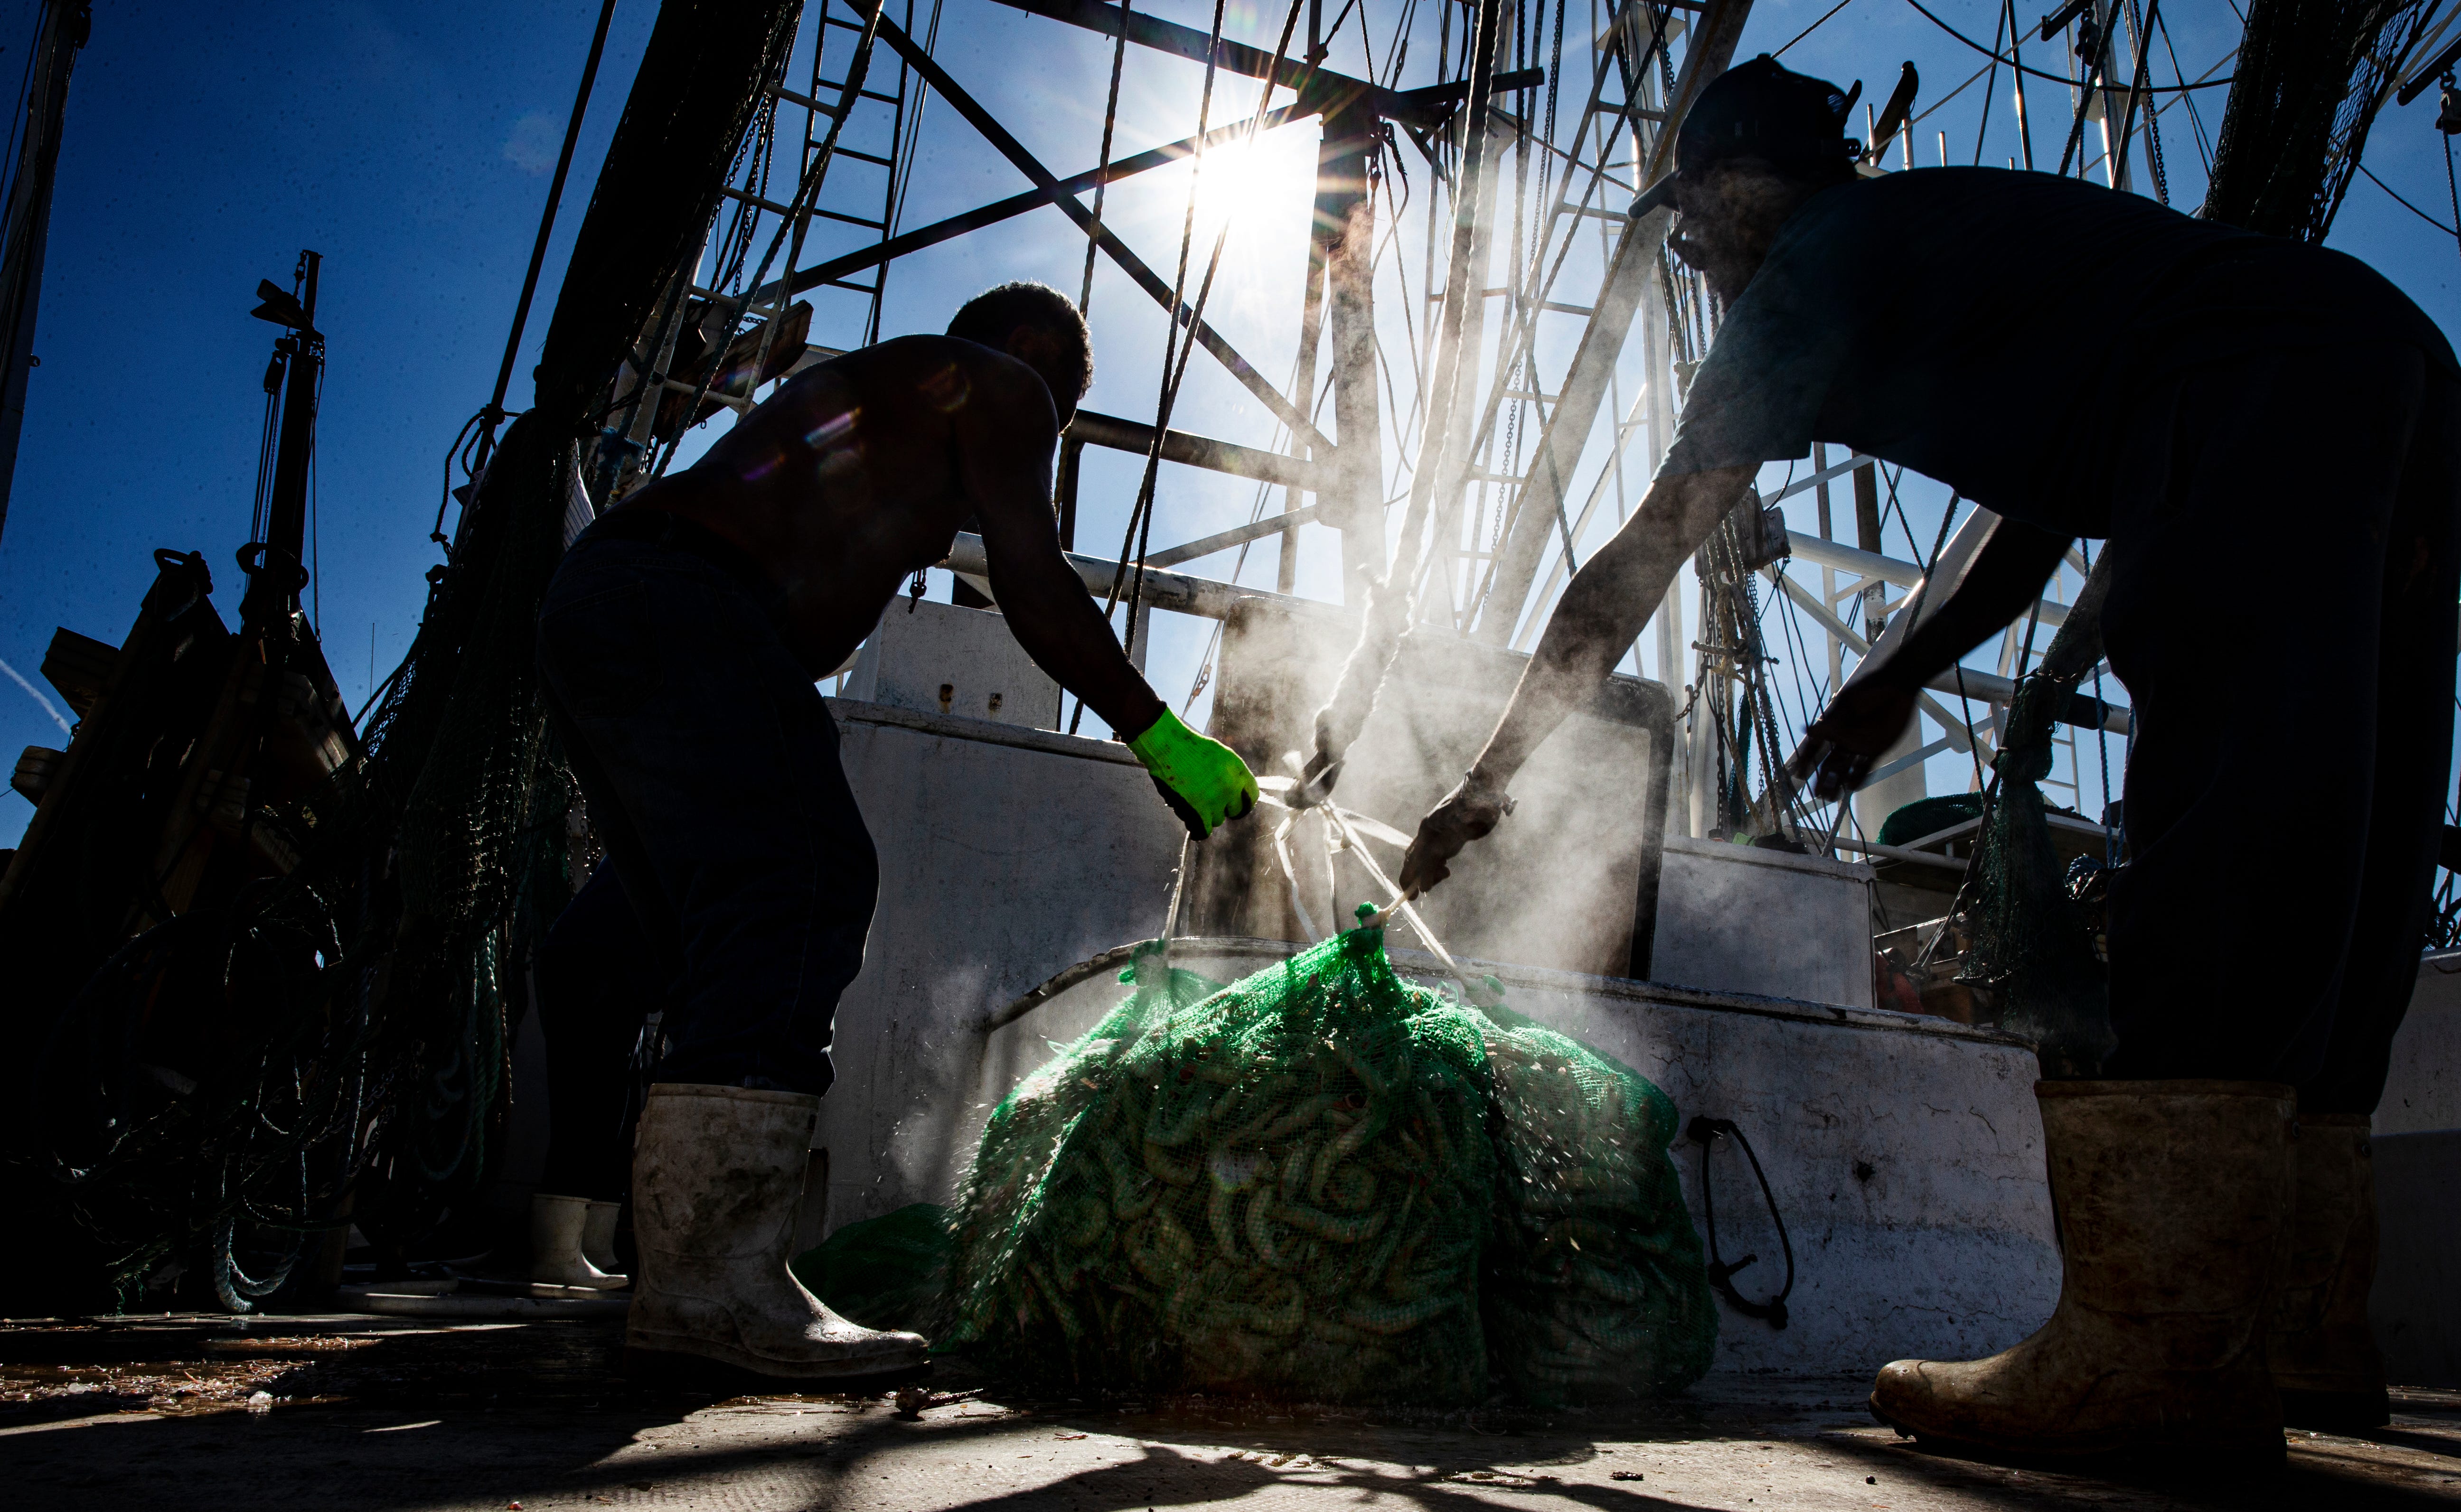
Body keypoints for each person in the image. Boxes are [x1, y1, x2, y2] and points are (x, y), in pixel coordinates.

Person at [1396, 56, 2458, 1456]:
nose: (1693, 252)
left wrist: (1487, 776)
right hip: (2398, 369)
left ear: (1729, 188)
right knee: (2344, 841)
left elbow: (1639, 561)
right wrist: (1897, 671)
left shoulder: (1805, 272)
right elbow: (2046, 504)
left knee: (2224, 847)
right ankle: (2310, 1334)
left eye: (1689, 222)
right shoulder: (1938, 235)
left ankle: (2156, 1356)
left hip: (2248, 385)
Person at [535, 281, 1259, 1381]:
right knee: (807, 882)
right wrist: (1156, 733)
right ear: (1027, 356)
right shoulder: (1001, 385)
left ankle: (673, 1267)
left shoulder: (876, 425)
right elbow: (1033, 573)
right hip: (685, 600)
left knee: (672, 941)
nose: (1042, 454)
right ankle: (716, 1283)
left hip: (609, 606)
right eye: (1058, 424)